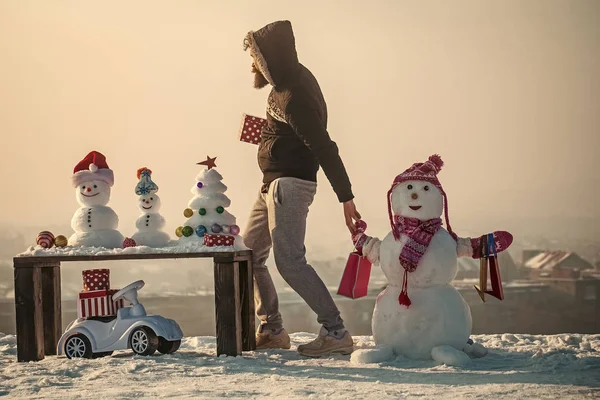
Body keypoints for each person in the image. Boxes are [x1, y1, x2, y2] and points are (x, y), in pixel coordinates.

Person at [242, 20, 361, 357]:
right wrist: (260, 137)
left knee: (290, 261)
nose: (252, 64)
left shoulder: (295, 96)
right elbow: (283, 131)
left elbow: (324, 146)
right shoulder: (282, 83)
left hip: (289, 185)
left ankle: (335, 331)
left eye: (255, 57)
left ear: (270, 59)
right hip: (271, 185)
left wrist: (346, 197)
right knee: (248, 255)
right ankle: (272, 330)